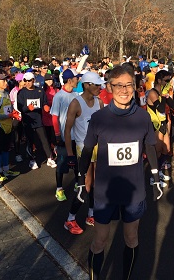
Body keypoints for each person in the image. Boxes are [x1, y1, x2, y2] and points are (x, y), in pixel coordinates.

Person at [76, 65, 163, 279]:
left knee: (131, 238)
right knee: (99, 241)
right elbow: (87, 150)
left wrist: (155, 176)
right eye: (118, 85)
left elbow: (150, 147)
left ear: (135, 86)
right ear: (109, 87)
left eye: (129, 85)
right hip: (106, 192)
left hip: (133, 191)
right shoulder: (99, 118)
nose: (124, 90)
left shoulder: (143, 118)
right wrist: (80, 180)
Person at [63, 72, 105, 234]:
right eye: (97, 85)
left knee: (96, 183)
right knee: (85, 185)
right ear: (87, 85)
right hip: (83, 149)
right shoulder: (76, 103)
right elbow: (67, 130)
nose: (100, 88)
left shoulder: (99, 103)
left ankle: (91, 214)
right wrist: (70, 154)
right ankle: (70, 219)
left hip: (98, 148)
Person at [50, 69, 81, 202]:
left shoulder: (76, 95)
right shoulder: (59, 96)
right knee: (62, 163)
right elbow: (54, 117)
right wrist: (57, 135)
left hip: (77, 136)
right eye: (76, 78)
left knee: (77, 162)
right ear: (70, 80)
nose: (77, 80)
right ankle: (59, 189)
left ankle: (77, 183)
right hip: (63, 136)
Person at [17, 72, 56, 169]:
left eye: (30, 80)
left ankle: (49, 158)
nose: (28, 83)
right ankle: (32, 160)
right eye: (26, 81)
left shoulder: (40, 91)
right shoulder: (21, 92)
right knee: (30, 141)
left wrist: (45, 106)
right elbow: (19, 107)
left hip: (38, 119)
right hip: (28, 120)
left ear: (34, 80)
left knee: (44, 139)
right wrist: (27, 108)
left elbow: (44, 102)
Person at [0, 73, 20, 181]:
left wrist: (14, 113)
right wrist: (8, 115)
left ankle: (6, 169)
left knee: (6, 148)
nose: (6, 83)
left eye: (6, 80)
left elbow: (9, 109)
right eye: (3, 81)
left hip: (8, 125)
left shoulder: (6, 93)